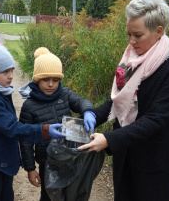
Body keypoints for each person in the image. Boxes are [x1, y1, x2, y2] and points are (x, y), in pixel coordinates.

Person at [78, 0, 169, 201]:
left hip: (154, 164)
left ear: (158, 32)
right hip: (125, 155)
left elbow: (157, 118)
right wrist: (93, 114)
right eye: (128, 34)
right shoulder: (130, 59)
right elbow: (119, 100)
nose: (131, 41)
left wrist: (109, 139)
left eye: (137, 35)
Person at [0, 45, 64, 201]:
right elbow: (11, 127)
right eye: (5, 72)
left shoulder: (0, 91)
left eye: (12, 70)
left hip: (3, 162)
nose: (10, 76)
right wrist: (44, 131)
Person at [19, 47, 105, 201]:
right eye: (46, 79)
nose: (51, 84)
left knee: (73, 193)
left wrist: (88, 111)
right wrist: (30, 168)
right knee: (49, 196)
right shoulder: (29, 106)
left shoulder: (65, 94)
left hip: (71, 158)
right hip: (47, 162)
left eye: (56, 80)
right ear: (37, 79)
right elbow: (25, 140)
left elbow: (80, 101)